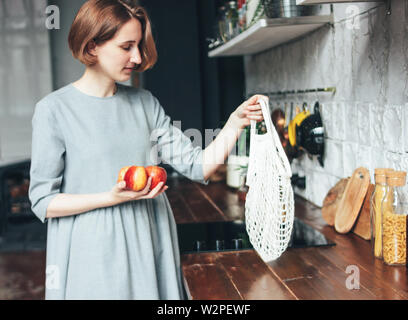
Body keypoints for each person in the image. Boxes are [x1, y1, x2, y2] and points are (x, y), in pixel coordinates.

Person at [29, 0, 266, 300]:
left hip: (150, 236)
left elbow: (198, 165)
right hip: (93, 248)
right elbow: (43, 201)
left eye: (139, 45)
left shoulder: (145, 103)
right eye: (126, 46)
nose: (138, 57)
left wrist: (235, 124)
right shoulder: (54, 110)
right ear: (92, 47)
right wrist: (110, 197)